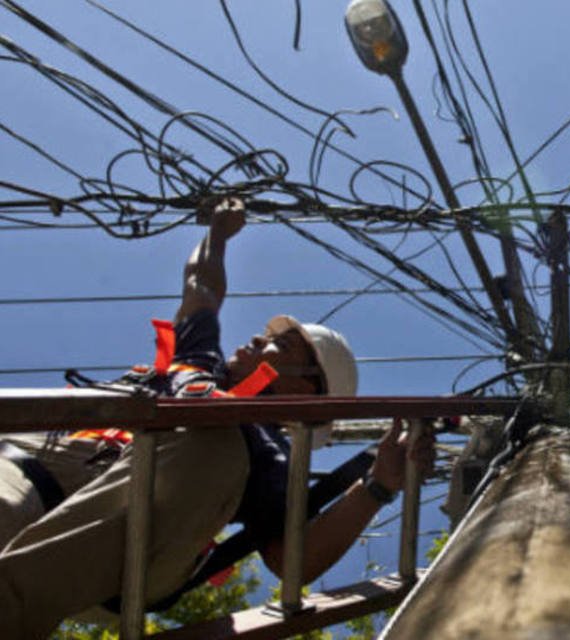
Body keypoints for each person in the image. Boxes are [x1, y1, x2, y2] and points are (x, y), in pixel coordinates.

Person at [0, 198, 435, 638]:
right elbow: (201, 288)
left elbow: (292, 559)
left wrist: (377, 487)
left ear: (303, 390)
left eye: (279, 346)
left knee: (216, 439)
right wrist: (217, 235)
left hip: (127, 539)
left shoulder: (267, 452)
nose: (256, 338)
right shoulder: (199, 366)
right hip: (39, 466)